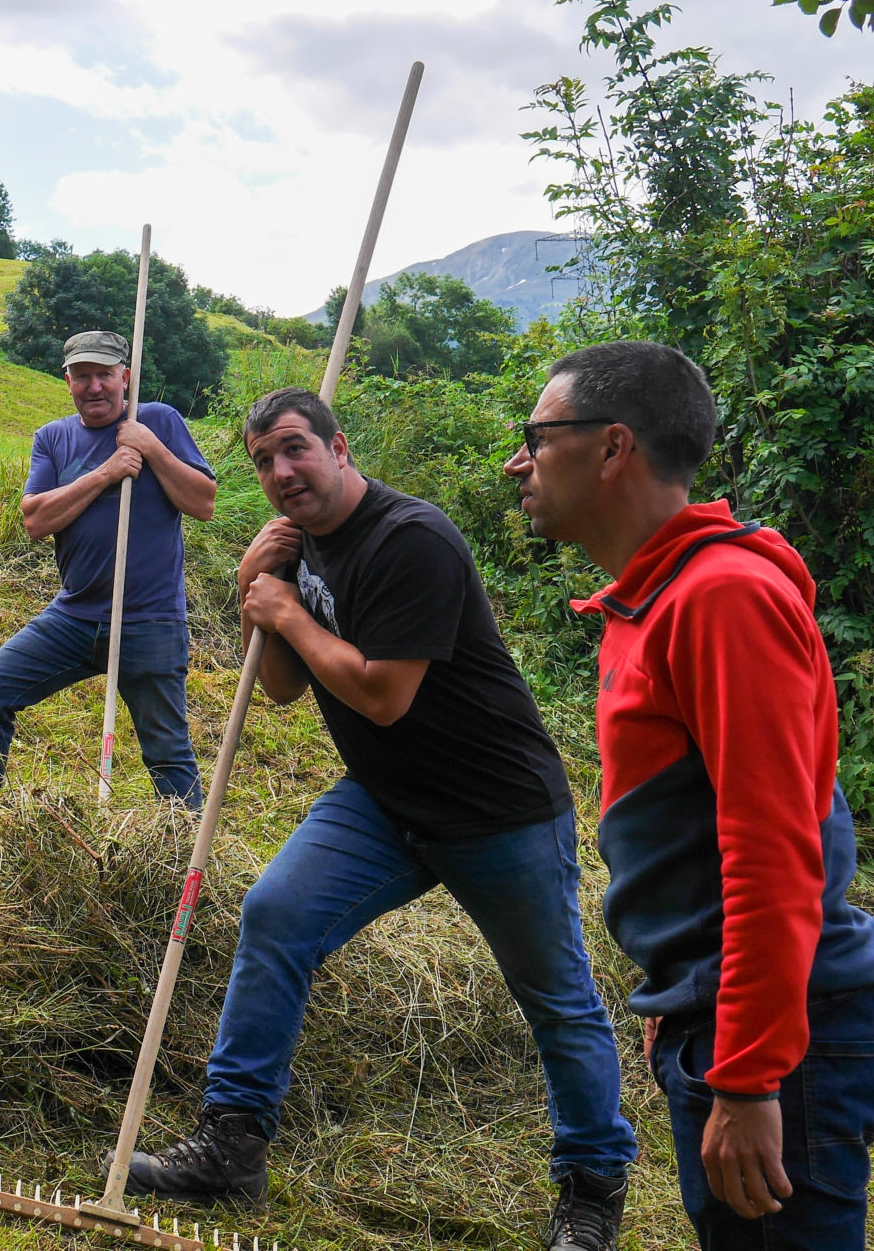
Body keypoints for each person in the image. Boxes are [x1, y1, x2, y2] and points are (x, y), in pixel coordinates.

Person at [121, 387, 637, 1251]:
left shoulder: (413, 539)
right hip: (384, 800)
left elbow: (382, 693)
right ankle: (232, 1144)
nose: (282, 471)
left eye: (295, 448)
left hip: (496, 807)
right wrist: (258, 582)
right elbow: (286, 687)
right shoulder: (299, 548)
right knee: (276, 913)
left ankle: (592, 1190)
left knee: (555, 997)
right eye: (262, 461)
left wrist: (281, 607)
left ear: (339, 446)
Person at [507, 341, 874, 1248]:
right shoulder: (659, 596)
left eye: (536, 434)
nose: (519, 459)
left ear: (612, 447)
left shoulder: (720, 599)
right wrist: (680, 997)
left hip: (784, 1043)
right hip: (718, 1011)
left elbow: (776, 851)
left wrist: (747, 1074)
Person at [0, 330, 217, 848]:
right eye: (82, 375)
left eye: (105, 374)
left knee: (166, 747)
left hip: (149, 620)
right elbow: (36, 519)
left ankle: (186, 861)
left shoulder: (158, 420)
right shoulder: (53, 438)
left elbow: (203, 502)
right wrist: (109, 471)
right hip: (73, 617)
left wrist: (151, 450)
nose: (95, 386)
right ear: (67, 380)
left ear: (125, 378)